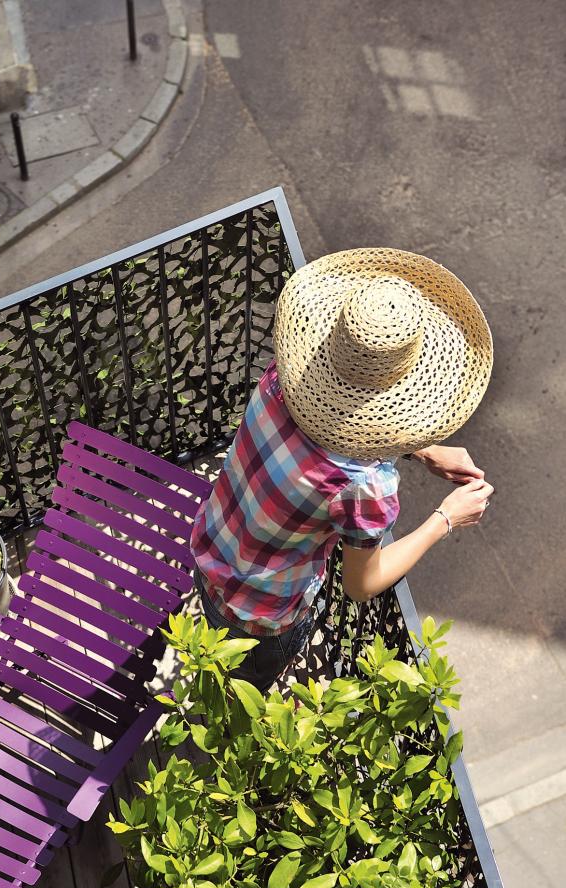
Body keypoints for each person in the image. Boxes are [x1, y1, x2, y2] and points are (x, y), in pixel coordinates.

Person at [190, 247, 494, 691]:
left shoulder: (282, 381)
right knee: (244, 688)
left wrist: (422, 449)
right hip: (262, 618)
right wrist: (444, 519)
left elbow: (331, 427)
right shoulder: (363, 484)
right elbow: (361, 583)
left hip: (211, 550)